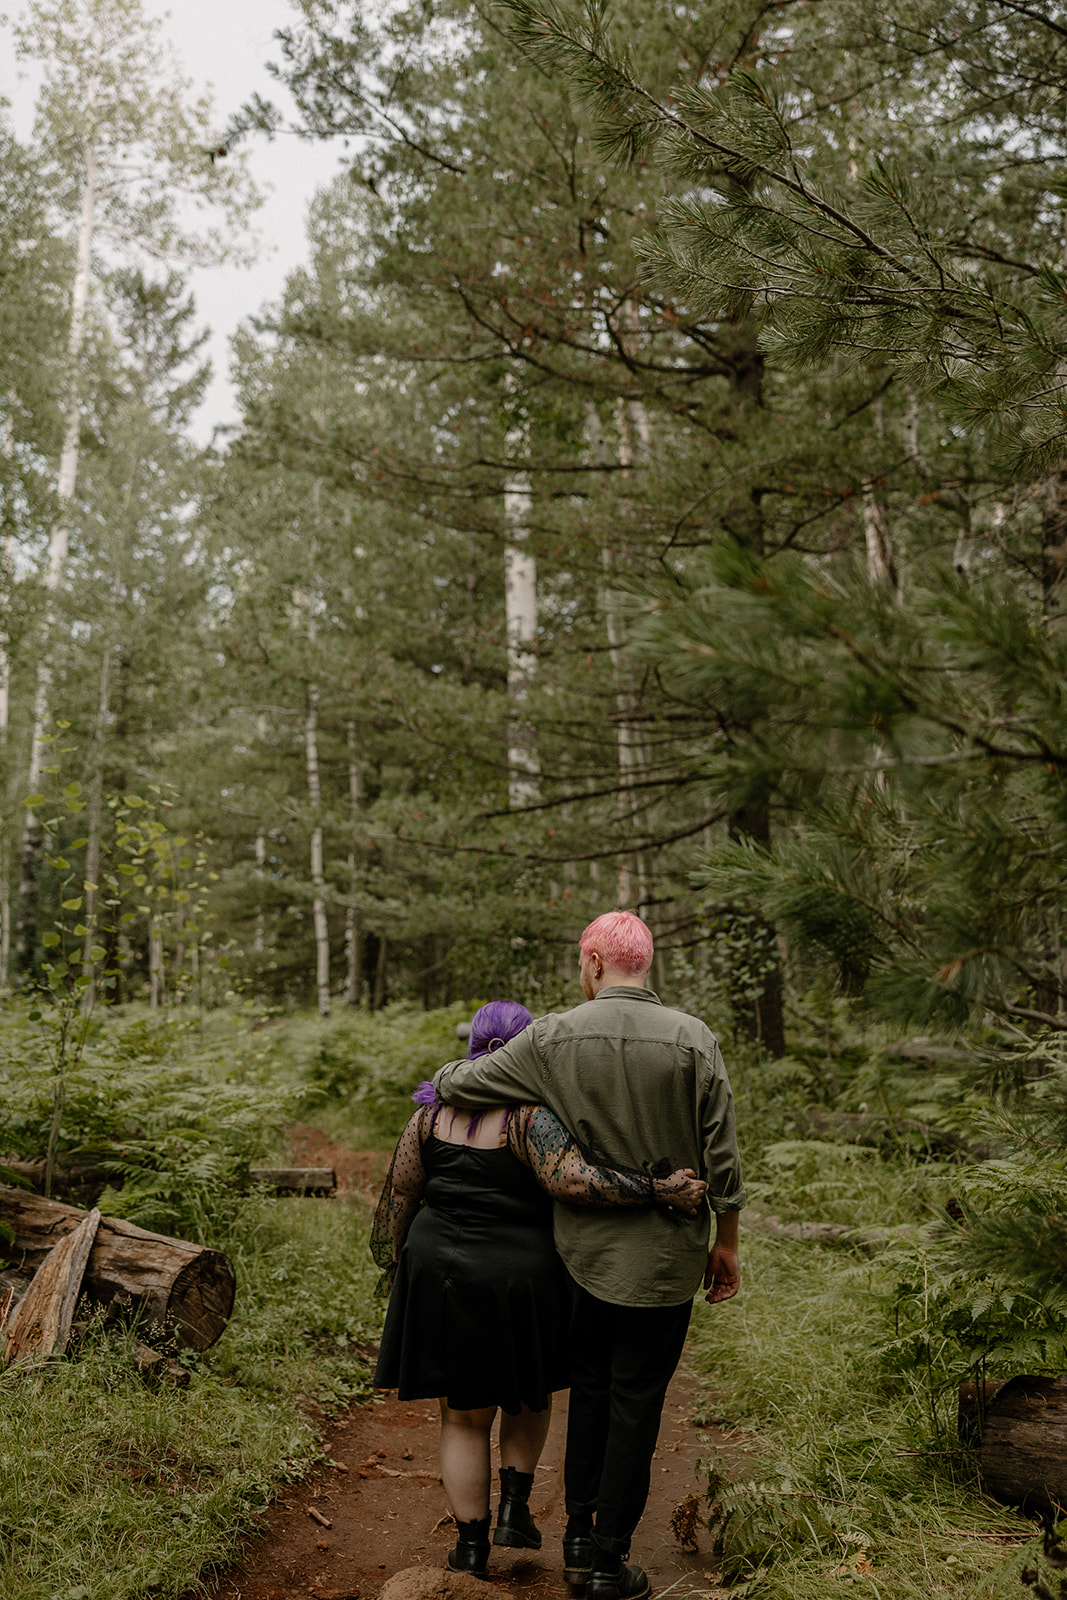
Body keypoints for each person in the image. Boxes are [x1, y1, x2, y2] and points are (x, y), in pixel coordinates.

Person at [432, 913, 746, 1600]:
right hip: (665, 1261)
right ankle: (607, 1562)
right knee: (638, 1399)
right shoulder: (693, 1038)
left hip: (579, 1255)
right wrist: (725, 1243)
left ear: (594, 961)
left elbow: (454, 1084)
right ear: (645, 964)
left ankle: (576, 1534)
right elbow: (721, 1154)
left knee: (592, 1392)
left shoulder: (551, 1036)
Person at [371, 998, 708, 1580]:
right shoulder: (530, 1117)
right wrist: (658, 1189)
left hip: (440, 1269)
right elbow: (574, 1181)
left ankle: (471, 1549)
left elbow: (399, 1197)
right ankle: (514, 1508)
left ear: (474, 1046)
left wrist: (393, 1264)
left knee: (461, 1412)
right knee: (527, 1392)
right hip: (519, 1276)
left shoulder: (429, 1115)